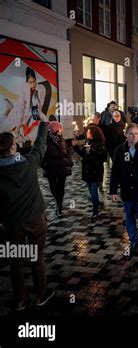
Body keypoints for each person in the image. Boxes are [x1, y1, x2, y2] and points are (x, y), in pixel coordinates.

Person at [0, 122, 55, 310]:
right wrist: (43, 123)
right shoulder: (29, 163)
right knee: (36, 257)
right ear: (13, 147)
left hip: (11, 223)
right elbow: (41, 143)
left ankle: (21, 300)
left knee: (15, 262)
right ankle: (41, 295)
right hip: (34, 219)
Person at [109, 123, 138, 252]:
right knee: (129, 216)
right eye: (131, 134)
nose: (134, 136)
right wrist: (113, 190)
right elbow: (115, 172)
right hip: (126, 191)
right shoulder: (120, 150)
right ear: (126, 135)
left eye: (136, 134)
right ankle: (134, 241)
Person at [72, 125, 107, 219]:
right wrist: (75, 147)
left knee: (93, 190)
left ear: (94, 134)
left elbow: (103, 158)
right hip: (87, 170)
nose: (87, 133)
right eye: (87, 132)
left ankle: (95, 210)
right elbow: (83, 155)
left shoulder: (100, 143)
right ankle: (96, 204)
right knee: (90, 190)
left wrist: (92, 151)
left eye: (89, 132)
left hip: (95, 170)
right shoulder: (87, 142)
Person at [41, 121, 73, 217]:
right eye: (60, 129)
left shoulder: (61, 139)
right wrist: (44, 165)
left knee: (61, 187)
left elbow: (66, 151)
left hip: (62, 167)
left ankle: (59, 204)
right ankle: (58, 200)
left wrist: (70, 162)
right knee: (53, 187)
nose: (61, 131)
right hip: (51, 168)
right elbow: (41, 155)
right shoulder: (46, 141)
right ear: (54, 130)